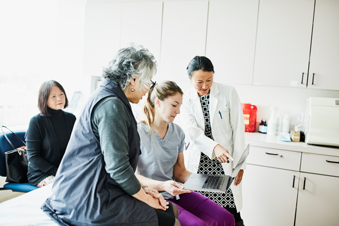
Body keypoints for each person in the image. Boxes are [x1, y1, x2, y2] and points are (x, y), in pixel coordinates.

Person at [41, 46, 180, 226]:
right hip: (87, 198)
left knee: (172, 210)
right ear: (133, 80)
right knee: (169, 219)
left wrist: (144, 189)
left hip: (97, 187)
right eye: (148, 81)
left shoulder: (110, 96)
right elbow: (118, 168)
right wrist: (145, 198)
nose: (148, 89)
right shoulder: (111, 105)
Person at [136, 80, 235, 226]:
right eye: (174, 105)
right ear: (158, 102)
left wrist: (210, 182)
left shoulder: (177, 132)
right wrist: (162, 186)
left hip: (176, 192)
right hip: (152, 195)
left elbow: (180, 172)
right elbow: (129, 175)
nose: (178, 111)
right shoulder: (137, 132)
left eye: (180, 106)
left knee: (227, 218)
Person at [180, 56, 246, 226]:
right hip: (199, 165)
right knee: (204, 215)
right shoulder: (186, 98)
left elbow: (238, 130)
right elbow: (192, 131)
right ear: (190, 79)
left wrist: (240, 166)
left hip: (225, 163)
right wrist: (215, 147)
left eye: (209, 80)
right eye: (199, 81)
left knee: (231, 214)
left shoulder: (228, 92)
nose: (204, 86)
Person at [26, 80, 76, 187]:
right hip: (41, 173)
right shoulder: (36, 121)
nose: (59, 99)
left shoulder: (71, 118)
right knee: (68, 186)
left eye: (61, 94)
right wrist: (58, 172)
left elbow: (76, 148)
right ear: (44, 99)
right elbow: (33, 157)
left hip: (66, 171)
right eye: (53, 96)